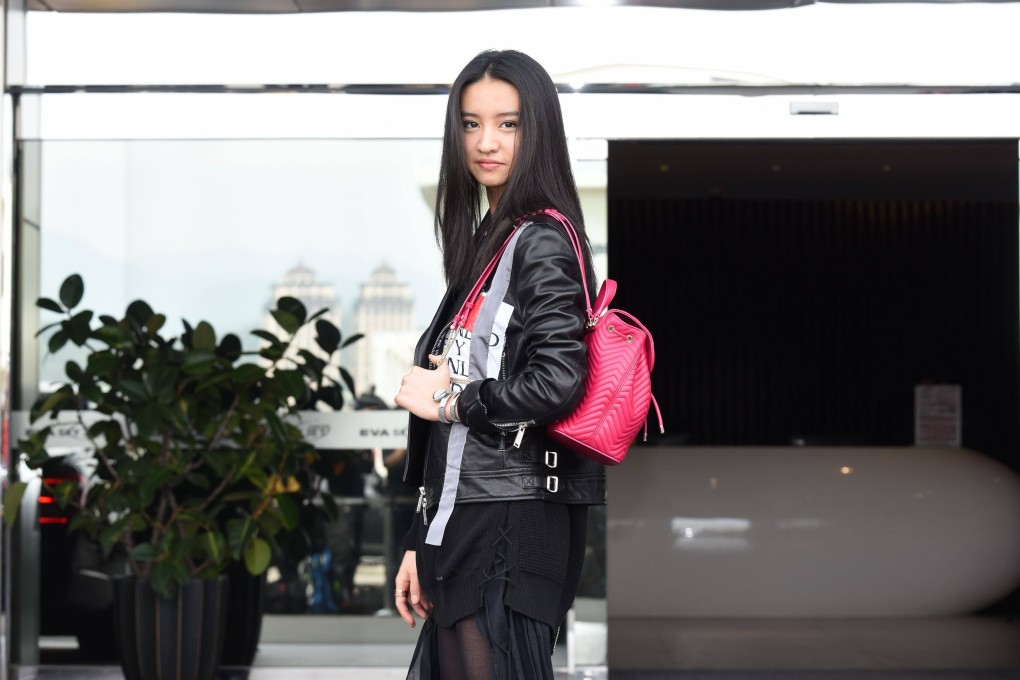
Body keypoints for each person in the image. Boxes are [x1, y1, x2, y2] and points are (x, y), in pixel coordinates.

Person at [393, 49, 606, 680]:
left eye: (508, 124)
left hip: (511, 518)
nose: (486, 142)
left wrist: (451, 400)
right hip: (470, 516)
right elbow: (456, 435)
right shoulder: (493, 240)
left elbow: (557, 381)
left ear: (537, 131)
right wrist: (421, 536)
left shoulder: (540, 238)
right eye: (471, 123)